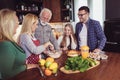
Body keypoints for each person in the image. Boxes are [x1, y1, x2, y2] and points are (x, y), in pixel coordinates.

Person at [0, 9, 41, 80]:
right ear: (9, 24)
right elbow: (6, 74)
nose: (18, 23)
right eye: (16, 21)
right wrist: (25, 67)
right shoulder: (6, 45)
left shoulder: (8, 41)